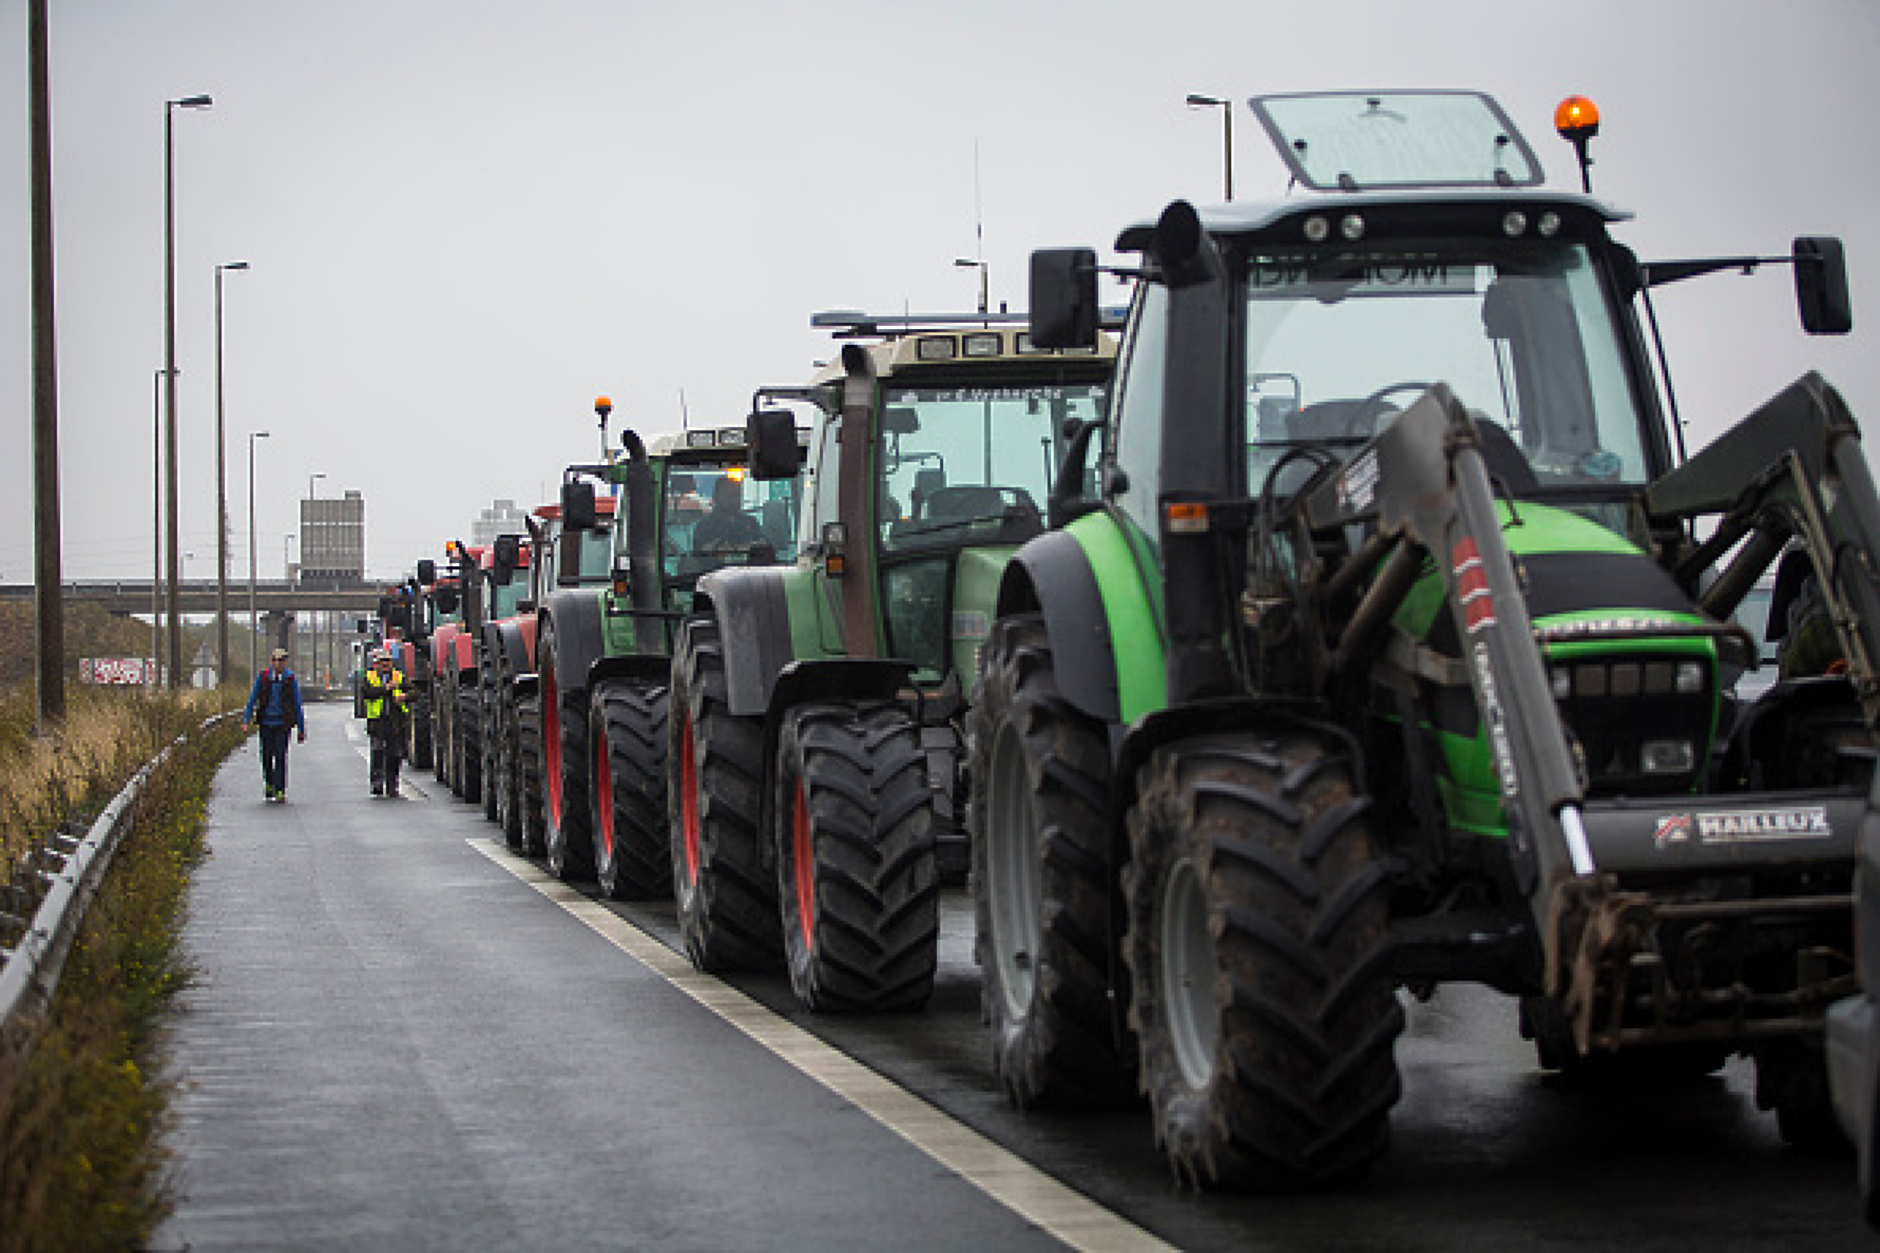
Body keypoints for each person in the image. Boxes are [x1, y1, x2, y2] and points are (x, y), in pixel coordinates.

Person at [242, 647, 307, 803]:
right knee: (266, 756)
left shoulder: (290, 679)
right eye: (276, 660)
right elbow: (252, 699)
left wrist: (301, 728)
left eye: (281, 661)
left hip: (282, 724)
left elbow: (297, 703)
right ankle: (269, 783)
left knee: (280, 756)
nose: (278, 664)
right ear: (271, 662)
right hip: (266, 723)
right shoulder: (263, 677)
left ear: (285, 663)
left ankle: (280, 789)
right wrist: (246, 719)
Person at [360, 650, 410, 796]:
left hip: (395, 722)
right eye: (382, 662)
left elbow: (414, 693)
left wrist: (404, 696)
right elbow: (367, 693)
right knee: (377, 750)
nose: (385, 664)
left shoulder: (399, 677)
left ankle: (392, 785)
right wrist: (386, 689)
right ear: (377, 664)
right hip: (377, 722)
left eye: (387, 661)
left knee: (395, 754)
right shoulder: (369, 678)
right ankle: (377, 783)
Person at [690, 476, 764, 553]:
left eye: (737, 495)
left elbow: (763, 545)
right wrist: (717, 548)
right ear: (716, 497)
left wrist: (749, 547)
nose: (734, 500)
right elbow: (699, 555)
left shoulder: (750, 522)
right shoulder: (704, 526)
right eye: (729, 495)